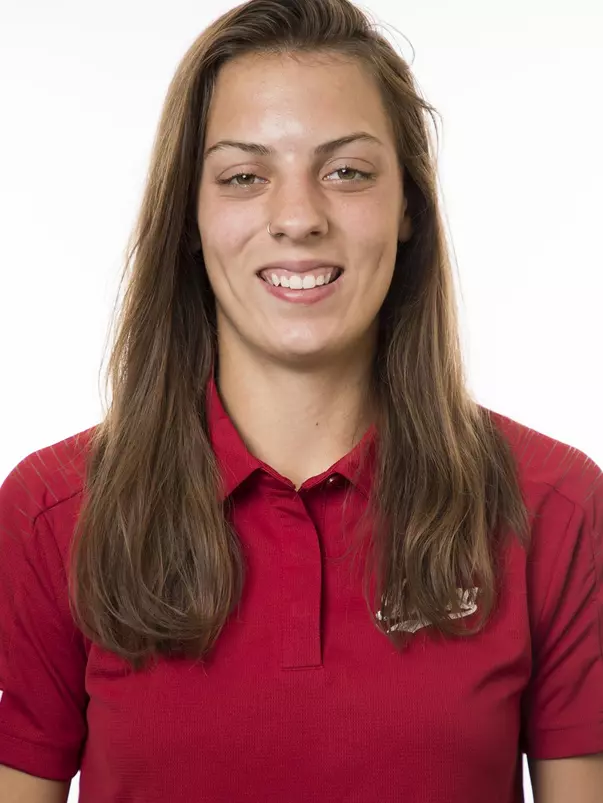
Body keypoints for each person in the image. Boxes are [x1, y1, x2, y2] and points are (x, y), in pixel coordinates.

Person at [1, 0, 602, 801]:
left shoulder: (552, 507)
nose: (297, 218)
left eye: (346, 171)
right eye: (244, 176)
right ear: (190, 214)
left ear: (409, 206)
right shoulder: (51, 513)